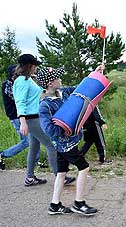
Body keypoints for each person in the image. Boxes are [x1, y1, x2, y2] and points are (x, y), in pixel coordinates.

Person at [38, 66, 99, 215]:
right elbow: (50, 130)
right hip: (64, 145)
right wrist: (66, 128)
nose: (60, 79)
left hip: (67, 143)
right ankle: (79, 203)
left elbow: (80, 88)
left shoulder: (63, 92)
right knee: (84, 167)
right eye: (57, 77)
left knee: (61, 173)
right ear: (50, 83)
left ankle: (55, 205)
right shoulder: (44, 105)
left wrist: (94, 74)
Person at [13, 54, 75, 186]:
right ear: (29, 66)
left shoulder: (27, 79)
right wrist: (23, 122)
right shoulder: (22, 81)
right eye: (34, 65)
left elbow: (35, 94)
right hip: (32, 119)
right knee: (52, 146)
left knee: (34, 148)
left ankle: (29, 178)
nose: (36, 67)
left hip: (34, 118)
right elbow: (20, 102)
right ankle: (60, 177)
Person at [1, 65, 40, 170]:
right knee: (27, 141)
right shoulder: (8, 84)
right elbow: (19, 98)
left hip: (24, 115)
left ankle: (37, 161)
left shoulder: (21, 82)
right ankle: (2, 155)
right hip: (16, 116)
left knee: (35, 137)